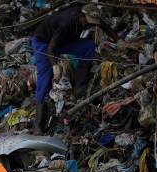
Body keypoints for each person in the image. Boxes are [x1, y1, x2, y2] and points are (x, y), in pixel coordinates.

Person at [31, 4, 118, 135]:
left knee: (88, 46)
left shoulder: (90, 17)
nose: (89, 26)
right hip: (45, 44)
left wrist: (121, 41)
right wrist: (55, 66)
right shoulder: (67, 22)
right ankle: (38, 124)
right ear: (81, 17)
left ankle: (79, 86)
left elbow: (105, 27)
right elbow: (51, 48)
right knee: (45, 78)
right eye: (87, 23)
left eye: (91, 24)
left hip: (65, 42)